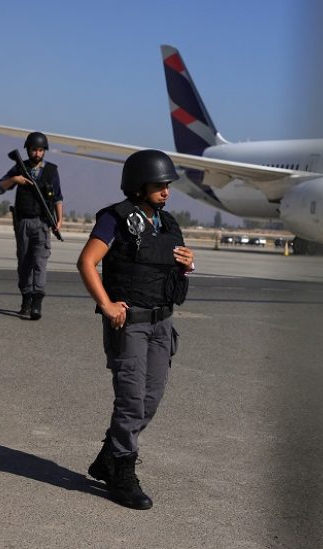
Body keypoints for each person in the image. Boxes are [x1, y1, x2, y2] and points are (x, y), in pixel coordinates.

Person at [76, 149, 195, 510]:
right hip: (130, 326)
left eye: (167, 185)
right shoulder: (115, 218)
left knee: (150, 400)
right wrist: (107, 304)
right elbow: (87, 261)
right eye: (159, 185)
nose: (166, 191)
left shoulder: (168, 223)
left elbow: (168, 270)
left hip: (162, 323)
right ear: (138, 186)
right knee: (130, 402)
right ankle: (123, 472)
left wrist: (188, 264)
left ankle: (108, 457)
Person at [0, 132, 63, 320]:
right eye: (34, 150)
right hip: (23, 222)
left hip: (42, 224)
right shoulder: (19, 167)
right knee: (24, 262)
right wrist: (14, 180)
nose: (37, 153)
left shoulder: (51, 171)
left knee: (40, 262)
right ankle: (26, 299)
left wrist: (59, 220)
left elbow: (58, 198)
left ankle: (37, 302)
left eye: (41, 150)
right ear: (28, 150)